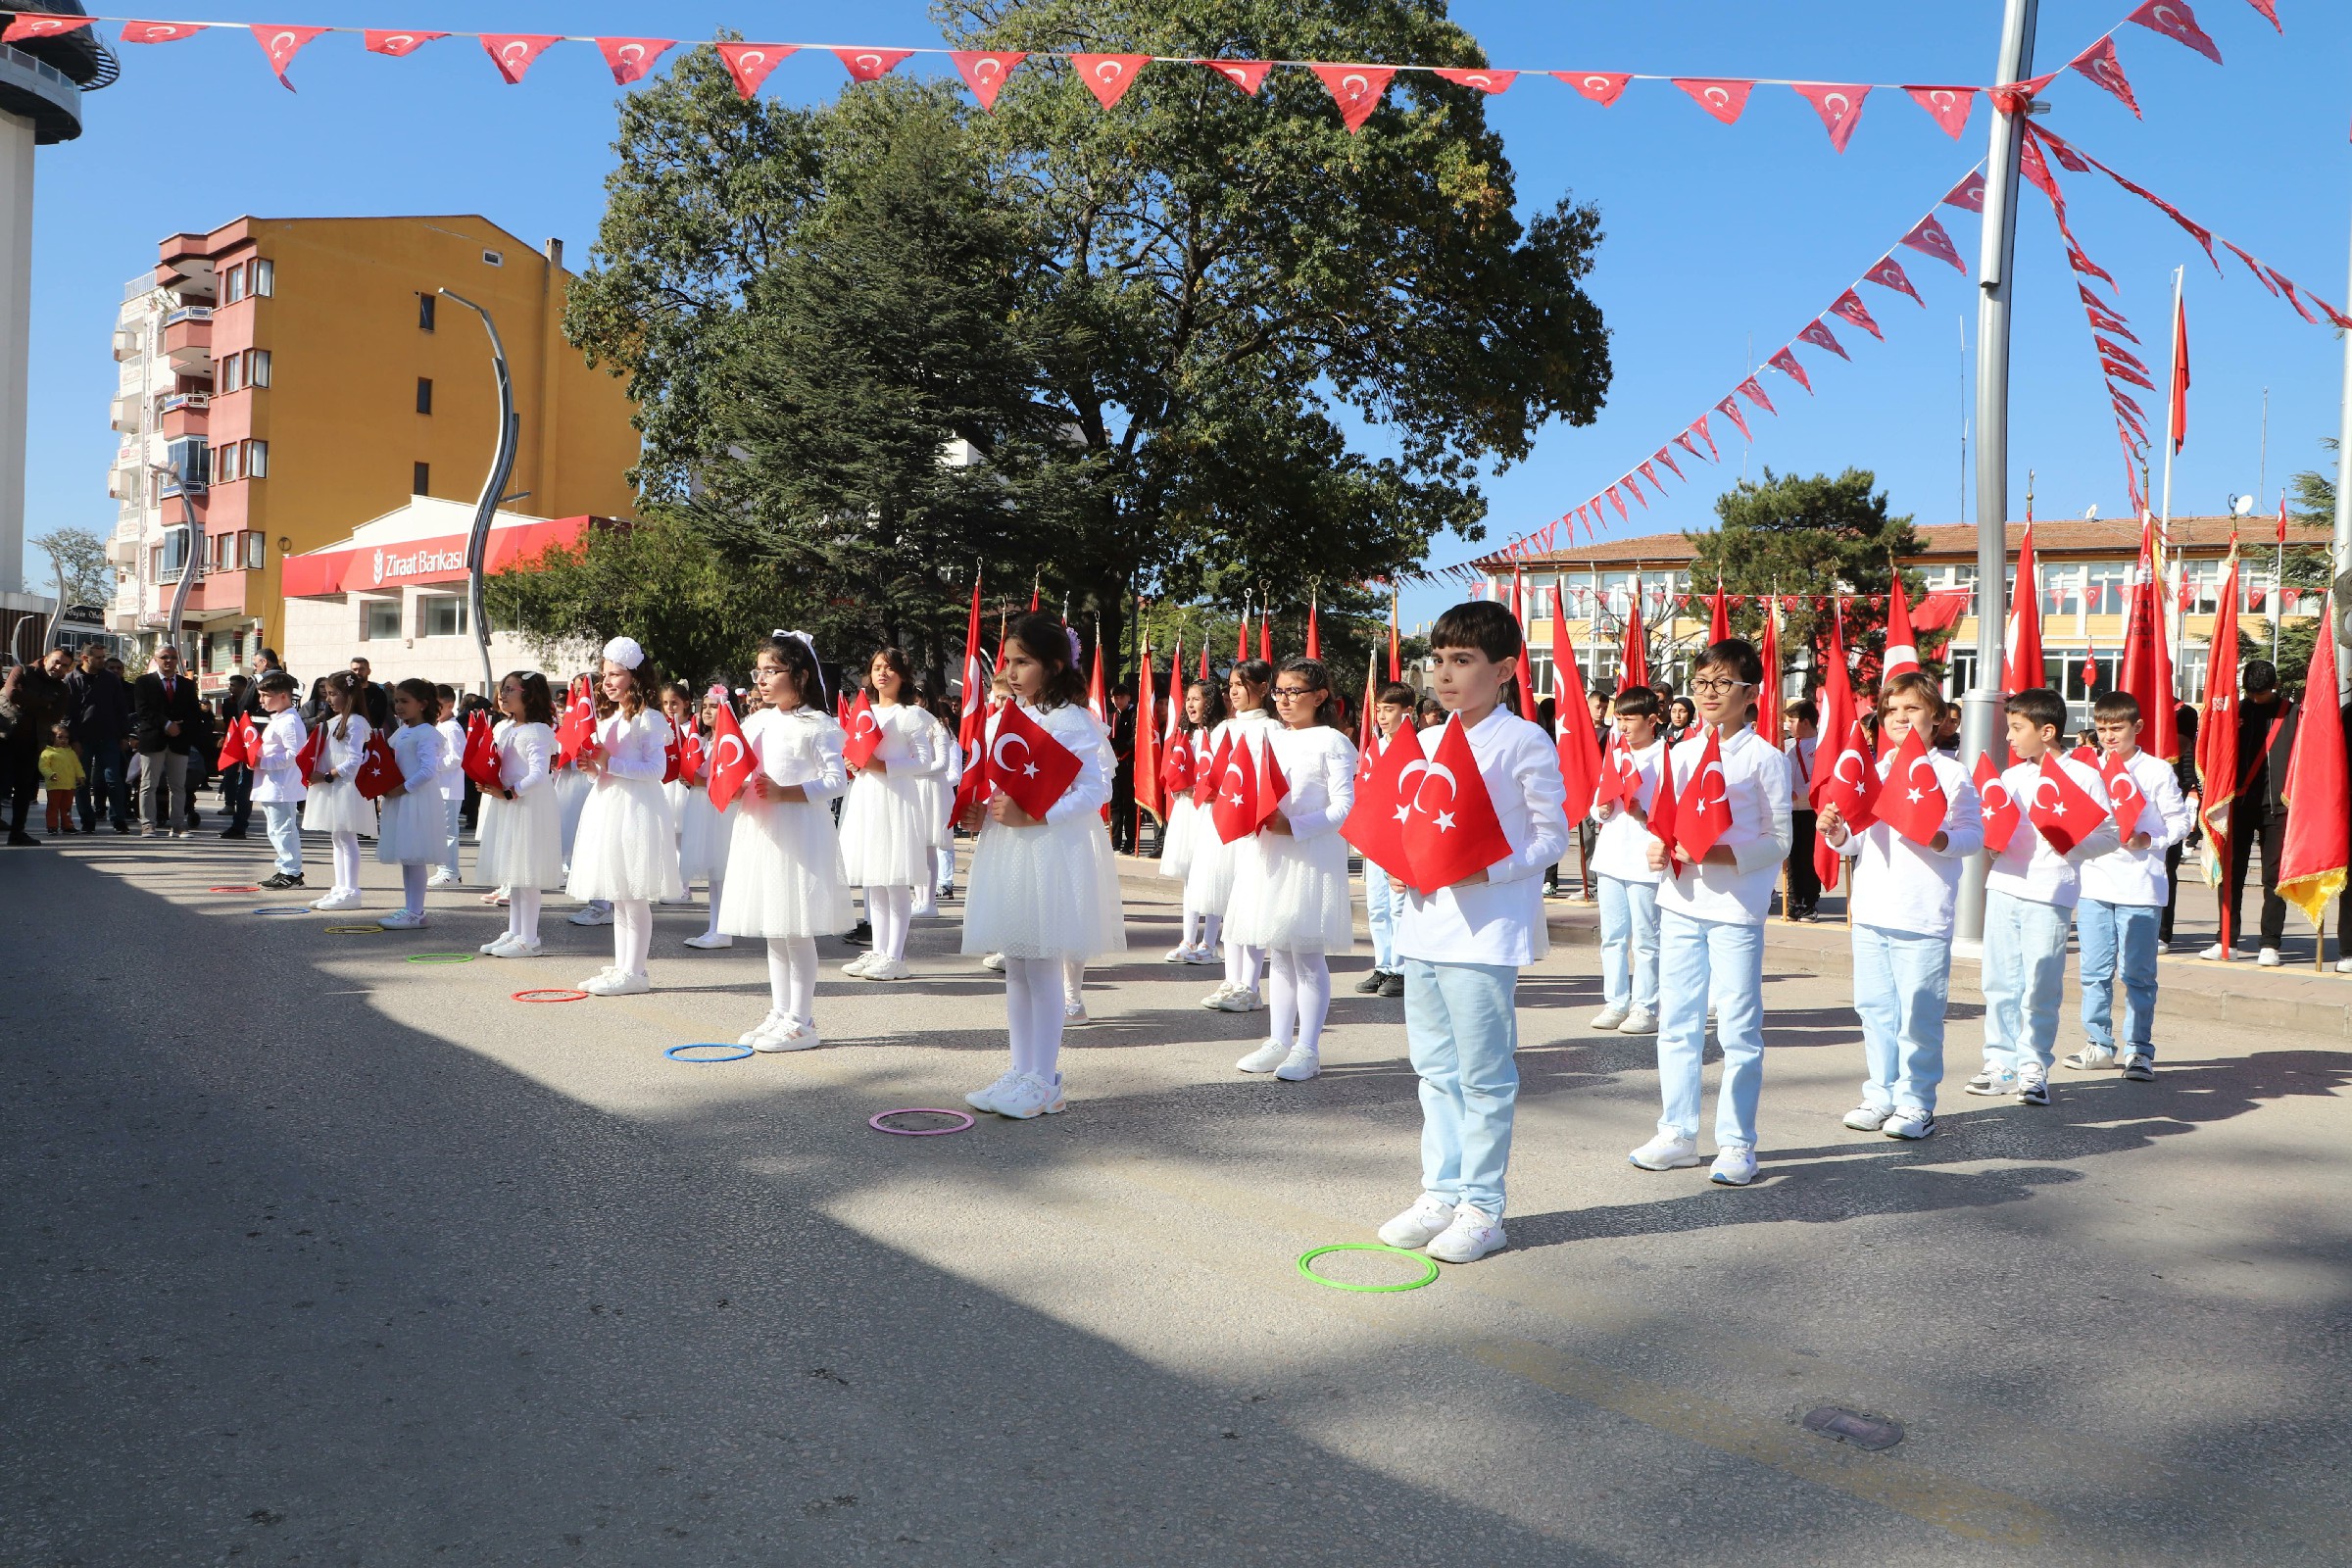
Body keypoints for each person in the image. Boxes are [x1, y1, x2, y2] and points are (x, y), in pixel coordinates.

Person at [1371, 602, 1566, 1264]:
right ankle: (1439, 1193)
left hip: (1484, 935)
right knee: (1434, 1071)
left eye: (1463, 661)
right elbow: (1407, 830)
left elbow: (1550, 837)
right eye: (1439, 662)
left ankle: (1484, 1209)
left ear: (1505, 669)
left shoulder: (1523, 742)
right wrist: (1401, 868)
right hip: (1424, 930)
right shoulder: (1423, 743)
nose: (1445, 676)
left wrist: (1486, 869)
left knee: (1483, 1076)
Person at [1629, 638, 1792, 1188]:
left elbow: (1779, 840)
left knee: (1739, 1028)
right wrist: (1658, 846)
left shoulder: (1765, 758)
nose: (1708, 694)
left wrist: (1720, 852)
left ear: (1750, 693)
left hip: (1735, 910)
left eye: (1722, 684)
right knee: (1677, 1023)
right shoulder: (1679, 754)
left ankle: (1737, 1142)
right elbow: (1667, 824)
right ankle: (1677, 1132)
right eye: (1701, 684)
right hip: (1679, 902)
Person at [957, 612, 1125, 1118]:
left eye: (1023, 662)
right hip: (1010, 848)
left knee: (1044, 963)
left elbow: (1096, 789)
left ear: (1054, 665)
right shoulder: (1006, 717)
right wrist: (980, 810)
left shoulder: (1073, 721)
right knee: (1017, 964)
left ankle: (1045, 1078)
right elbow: (1001, 780)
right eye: (1007, 661)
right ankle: (1020, 1067)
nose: (1010, 671)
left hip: (1051, 850)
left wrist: (1039, 815)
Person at [1819, 673, 1982, 1140]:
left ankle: (1917, 1103)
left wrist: (1940, 837)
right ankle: (1880, 1094)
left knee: (1918, 1013)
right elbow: (1858, 840)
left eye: (1911, 709)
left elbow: (1973, 836)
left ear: (1936, 718)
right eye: (1891, 710)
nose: (1900, 718)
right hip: (1872, 910)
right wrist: (1837, 833)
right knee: (1875, 1009)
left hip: (1922, 912)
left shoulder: (1950, 773)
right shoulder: (1876, 769)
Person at [1971, 687, 2118, 1105]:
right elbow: (1993, 823)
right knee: (1999, 982)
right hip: (2004, 886)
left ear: (2047, 730)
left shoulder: (2083, 775)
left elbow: (2109, 835)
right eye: (2009, 728)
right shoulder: (2012, 777)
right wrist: (1991, 843)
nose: (2010, 738)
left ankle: (2033, 1065)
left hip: (2049, 892)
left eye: (2017, 728)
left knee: (2040, 984)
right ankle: (2000, 1063)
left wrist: (2068, 845)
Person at [717, 633, 853, 1050]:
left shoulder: (819, 725)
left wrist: (786, 792)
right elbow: (735, 765)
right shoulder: (756, 722)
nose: (762, 678)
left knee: (797, 928)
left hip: (798, 830)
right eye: (759, 671)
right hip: (761, 831)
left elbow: (837, 781)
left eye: (772, 670)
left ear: (800, 675)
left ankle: (802, 1019)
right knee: (774, 928)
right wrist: (735, 787)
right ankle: (779, 1011)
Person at [1227, 657, 1358, 1082]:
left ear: (1319, 697)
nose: (1284, 700)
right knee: (1277, 951)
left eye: (1293, 692)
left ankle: (1308, 1048)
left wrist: (1295, 826)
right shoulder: (1272, 738)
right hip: (1270, 854)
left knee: (1306, 954)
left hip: (1309, 856)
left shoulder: (1333, 742)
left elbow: (1344, 807)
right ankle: (1278, 1040)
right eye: (1279, 691)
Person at [2068, 691, 2191, 1081]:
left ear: (2136, 727)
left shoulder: (2156, 770)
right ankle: (2099, 1044)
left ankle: (2139, 1049)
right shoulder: (2086, 767)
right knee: (2094, 972)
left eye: (2116, 729)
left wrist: (2148, 841)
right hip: (2095, 884)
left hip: (2141, 887)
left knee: (2137, 974)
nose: (2108, 736)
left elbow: (2180, 822)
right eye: (2102, 729)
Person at [567, 638, 683, 997]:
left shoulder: (648, 720)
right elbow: (605, 768)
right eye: (605, 675)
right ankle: (622, 966)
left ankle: (636, 970)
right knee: (619, 893)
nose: (608, 682)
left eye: (616, 674)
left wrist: (609, 763)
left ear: (634, 676)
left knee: (633, 893)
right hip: (608, 805)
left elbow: (656, 769)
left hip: (636, 809)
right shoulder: (609, 719)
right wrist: (593, 769)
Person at [840, 648, 949, 982]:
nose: (882, 674)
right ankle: (879, 949)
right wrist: (852, 764)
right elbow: (854, 749)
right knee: (875, 879)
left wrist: (883, 766)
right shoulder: (865, 712)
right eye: (876, 668)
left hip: (896, 797)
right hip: (866, 796)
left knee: (894, 877)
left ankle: (895, 956)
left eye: (889, 668)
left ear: (902, 675)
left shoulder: (911, 715)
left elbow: (926, 760)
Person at [1198, 661, 1279, 1012]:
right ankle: (1231, 980)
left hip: (1254, 828)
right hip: (1222, 823)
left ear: (1262, 687)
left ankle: (1251, 985)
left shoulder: (1274, 729)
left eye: (1241, 684)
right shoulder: (1222, 729)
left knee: (1252, 905)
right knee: (1229, 904)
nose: (1233, 690)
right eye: (1230, 684)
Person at [1588, 685, 1667, 1035]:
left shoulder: (1669, 758)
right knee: (1613, 937)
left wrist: (1644, 814)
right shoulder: (1616, 755)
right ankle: (1616, 1001)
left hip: (1645, 860)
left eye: (1629, 719)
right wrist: (1601, 810)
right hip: (1611, 857)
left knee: (1646, 939)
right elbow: (1597, 803)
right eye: (1618, 719)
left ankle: (1646, 1007)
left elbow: (1674, 814)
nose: (1621, 726)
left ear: (1652, 720)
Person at [2208, 659, 2292, 965]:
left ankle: (2270, 943)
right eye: (2252, 693)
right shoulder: (2235, 713)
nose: (2256, 699)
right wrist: (2226, 730)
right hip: (2238, 806)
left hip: (2277, 808)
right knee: (2231, 875)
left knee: (2274, 877)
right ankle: (2226, 939)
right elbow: (2213, 750)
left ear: (2275, 686)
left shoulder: (2293, 714)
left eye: (2263, 694)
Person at [474, 671, 563, 956]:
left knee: (528, 873)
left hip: (528, 805)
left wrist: (510, 792)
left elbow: (539, 774)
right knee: (515, 873)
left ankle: (530, 937)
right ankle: (515, 931)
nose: (503, 694)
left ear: (529, 695)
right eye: (503, 689)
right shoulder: (504, 727)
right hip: (509, 803)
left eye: (510, 689)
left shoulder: (538, 730)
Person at [372, 678, 450, 929]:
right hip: (401, 797)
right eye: (396, 701)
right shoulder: (403, 730)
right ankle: (411, 908)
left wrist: (401, 788)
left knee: (415, 856)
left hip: (416, 799)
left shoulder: (427, 733)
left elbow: (428, 770)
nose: (399, 706)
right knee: (408, 856)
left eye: (405, 701)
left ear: (423, 704)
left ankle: (416, 912)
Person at [1356, 681, 1418, 999]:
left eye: (1389, 710)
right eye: (1379, 709)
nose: (1381, 716)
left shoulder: (1415, 747)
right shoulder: (1375, 746)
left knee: (1398, 908)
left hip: (1401, 839)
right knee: (1377, 907)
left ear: (1407, 712)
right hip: (1376, 838)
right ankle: (1383, 965)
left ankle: (1401, 969)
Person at [1159, 676, 1226, 963]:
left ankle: (1209, 944)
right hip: (1189, 809)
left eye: (1196, 699)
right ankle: (1188, 939)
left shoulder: (1222, 733)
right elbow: (1175, 770)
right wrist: (1180, 788)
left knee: (1211, 876)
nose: (1189, 704)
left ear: (1210, 702)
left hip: (1211, 810)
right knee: (1190, 876)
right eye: (1188, 699)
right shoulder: (1185, 735)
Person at [664, 682, 734, 950]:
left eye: (714, 707)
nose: (707, 711)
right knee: (715, 873)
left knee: (721, 870)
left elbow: (726, 775)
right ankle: (714, 927)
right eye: (704, 706)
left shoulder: (728, 741)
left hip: (719, 810)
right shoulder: (703, 740)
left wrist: (699, 781)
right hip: (702, 805)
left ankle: (723, 929)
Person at [302, 671, 377, 911]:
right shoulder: (334, 721)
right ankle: (341, 886)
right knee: (338, 838)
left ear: (349, 695)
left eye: (334, 694)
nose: (329, 699)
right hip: (334, 785)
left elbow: (354, 760)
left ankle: (351, 890)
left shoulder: (355, 722)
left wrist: (327, 775)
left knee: (347, 838)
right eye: (327, 694)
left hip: (345, 786)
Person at [129, 645, 202, 839]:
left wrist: (180, 726)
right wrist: (166, 724)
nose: (168, 661)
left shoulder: (186, 684)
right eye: (164, 657)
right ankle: (148, 824)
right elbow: (143, 710)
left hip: (179, 741)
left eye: (172, 657)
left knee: (178, 786)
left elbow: (194, 712)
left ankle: (178, 824)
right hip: (153, 739)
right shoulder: (144, 682)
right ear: (156, 659)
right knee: (148, 785)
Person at [249, 670, 308, 889]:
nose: (262, 700)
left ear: (283, 695)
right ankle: (285, 868)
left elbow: (295, 755)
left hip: (282, 784)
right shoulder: (279, 719)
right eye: (261, 695)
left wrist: (261, 762)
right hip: (273, 783)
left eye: (266, 695)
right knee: (276, 829)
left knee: (283, 828)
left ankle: (291, 871)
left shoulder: (290, 722)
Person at [66, 644, 131, 834]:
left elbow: (121, 709)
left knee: (114, 779)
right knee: (82, 781)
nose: (103, 661)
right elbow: (67, 713)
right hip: (82, 739)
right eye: (99, 658)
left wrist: (124, 735)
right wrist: (74, 740)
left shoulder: (111, 680)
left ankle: (119, 820)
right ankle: (87, 820)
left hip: (109, 737)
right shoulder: (71, 680)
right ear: (85, 658)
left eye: (104, 657)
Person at [2159, 702, 2200, 950]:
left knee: (2165, 868)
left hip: (2169, 797)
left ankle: (2162, 932)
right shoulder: (2136, 703)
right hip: (2130, 797)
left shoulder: (2183, 712)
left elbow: (2179, 748)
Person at [1782, 699, 1821, 921]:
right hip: (1789, 810)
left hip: (1810, 808)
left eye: (1792, 721)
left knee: (1809, 856)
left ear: (1806, 722)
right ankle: (1795, 900)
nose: (1788, 725)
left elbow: (1822, 777)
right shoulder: (1787, 746)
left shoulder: (1820, 746)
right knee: (1792, 856)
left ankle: (1810, 901)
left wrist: (1800, 793)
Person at [429, 684, 466, 887]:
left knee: (447, 831)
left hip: (449, 787)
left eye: (438, 705)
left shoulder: (451, 728)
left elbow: (456, 758)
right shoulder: (439, 726)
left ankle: (450, 872)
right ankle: (443, 869)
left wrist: (431, 764)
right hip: (439, 786)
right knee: (439, 830)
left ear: (450, 705)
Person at [215, 673, 253, 839]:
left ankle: (241, 812)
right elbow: (227, 722)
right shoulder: (227, 703)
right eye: (230, 685)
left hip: (248, 740)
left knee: (245, 779)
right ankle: (229, 803)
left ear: (244, 687)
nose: (231, 688)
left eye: (234, 685)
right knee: (229, 773)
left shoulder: (250, 700)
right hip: (233, 739)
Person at [1108, 683, 1139, 854]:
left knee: (1129, 804)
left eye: (1121, 697)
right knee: (1115, 804)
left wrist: (1118, 745)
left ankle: (1130, 841)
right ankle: (1115, 840)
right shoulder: (1111, 716)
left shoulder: (1135, 714)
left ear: (1128, 697)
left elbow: (1135, 739)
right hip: (1114, 764)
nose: (1118, 700)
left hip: (1129, 763)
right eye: (1115, 697)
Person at [39, 720, 82, 834]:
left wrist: (80, 776)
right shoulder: (47, 752)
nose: (64, 740)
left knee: (67, 807)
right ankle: (52, 826)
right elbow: (43, 766)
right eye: (60, 737)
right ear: (52, 738)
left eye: (66, 738)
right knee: (53, 806)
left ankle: (67, 825)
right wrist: (50, 774)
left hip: (69, 785)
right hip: (55, 785)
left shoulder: (70, 752)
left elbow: (76, 765)